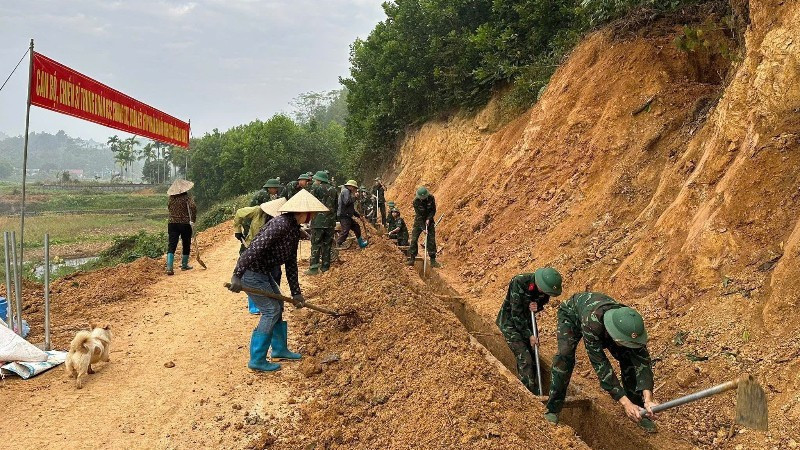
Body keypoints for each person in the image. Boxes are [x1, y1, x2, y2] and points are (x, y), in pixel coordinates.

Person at [228, 189, 328, 372]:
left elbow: (291, 264)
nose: (313, 216)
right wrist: (237, 274)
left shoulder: (292, 229)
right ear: (303, 212)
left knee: (278, 306)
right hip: (251, 272)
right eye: (312, 212)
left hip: (263, 272)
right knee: (270, 310)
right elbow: (254, 249)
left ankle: (279, 349)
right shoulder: (280, 225)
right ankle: (257, 359)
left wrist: (296, 292)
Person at [544, 291, 658, 433]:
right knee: (564, 357)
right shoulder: (592, 323)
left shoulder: (630, 326)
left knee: (629, 359)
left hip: (608, 326)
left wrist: (648, 398)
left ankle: (639, 409)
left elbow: (643, 364)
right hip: (572, 315)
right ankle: (553, 408)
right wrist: (624, 402)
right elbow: (601, 365)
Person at [496, 268, 563, 396]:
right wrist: (529, 335)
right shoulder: (519, 281)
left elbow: (542, 301)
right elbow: (516, 313)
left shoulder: (545, 288)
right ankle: (528, 397)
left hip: (527, 322)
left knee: (534, 355)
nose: (545, 293)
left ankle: (537, 391)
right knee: (525, 359)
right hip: (510, 322)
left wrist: (536, 305)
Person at [233, 198, 286, 314]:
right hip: (253, 249)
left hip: (270, 253)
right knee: (254, 276)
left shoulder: (282, 221)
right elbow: (239, 213)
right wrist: (237, 230)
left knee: (275, 274)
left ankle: (273, 302)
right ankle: (255, 305)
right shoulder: (258, 211)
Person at [307, 170, 338, 275]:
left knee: (316, 244)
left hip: (318, 222)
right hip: (330, 222)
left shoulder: (315, 188)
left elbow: (310, 202)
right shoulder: (334, 190)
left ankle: (314, 268)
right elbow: (336, 206)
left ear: (319, 180)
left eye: (316, 179)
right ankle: (325, 267)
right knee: (327, 245)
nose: (315, 180)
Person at [166, 179, 197, 276]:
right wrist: (193, 220)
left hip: (172, 223)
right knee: (186, 243)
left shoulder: (171, 199)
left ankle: (169, 267)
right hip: (185, 224)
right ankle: (184, 265)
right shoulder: (187, 198)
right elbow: (193, 208)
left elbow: (169, 208)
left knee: (172, 244)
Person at [407, 186, 440, 267]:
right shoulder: (415, 201)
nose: (422, 199)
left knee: (431, 240)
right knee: (414, 239)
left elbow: (433, 210)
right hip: (419, 221)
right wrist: (423, 228)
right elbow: (418, 215)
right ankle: (412, 258)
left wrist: (429, 219)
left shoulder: (431, 198)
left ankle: (433, 260)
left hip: (429, 221)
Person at [336, 180, 368, 249]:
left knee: (356, 227)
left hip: (348, 216)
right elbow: (347, 202)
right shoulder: (346, 191)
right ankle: (337, 244)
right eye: (354, 188)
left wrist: (359, 216)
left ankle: (361, 243)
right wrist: (355, 198)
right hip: (344, 216)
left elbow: (351, 209)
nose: (355, 190)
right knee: (345, 231)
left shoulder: (348, 193)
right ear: (351, 186)